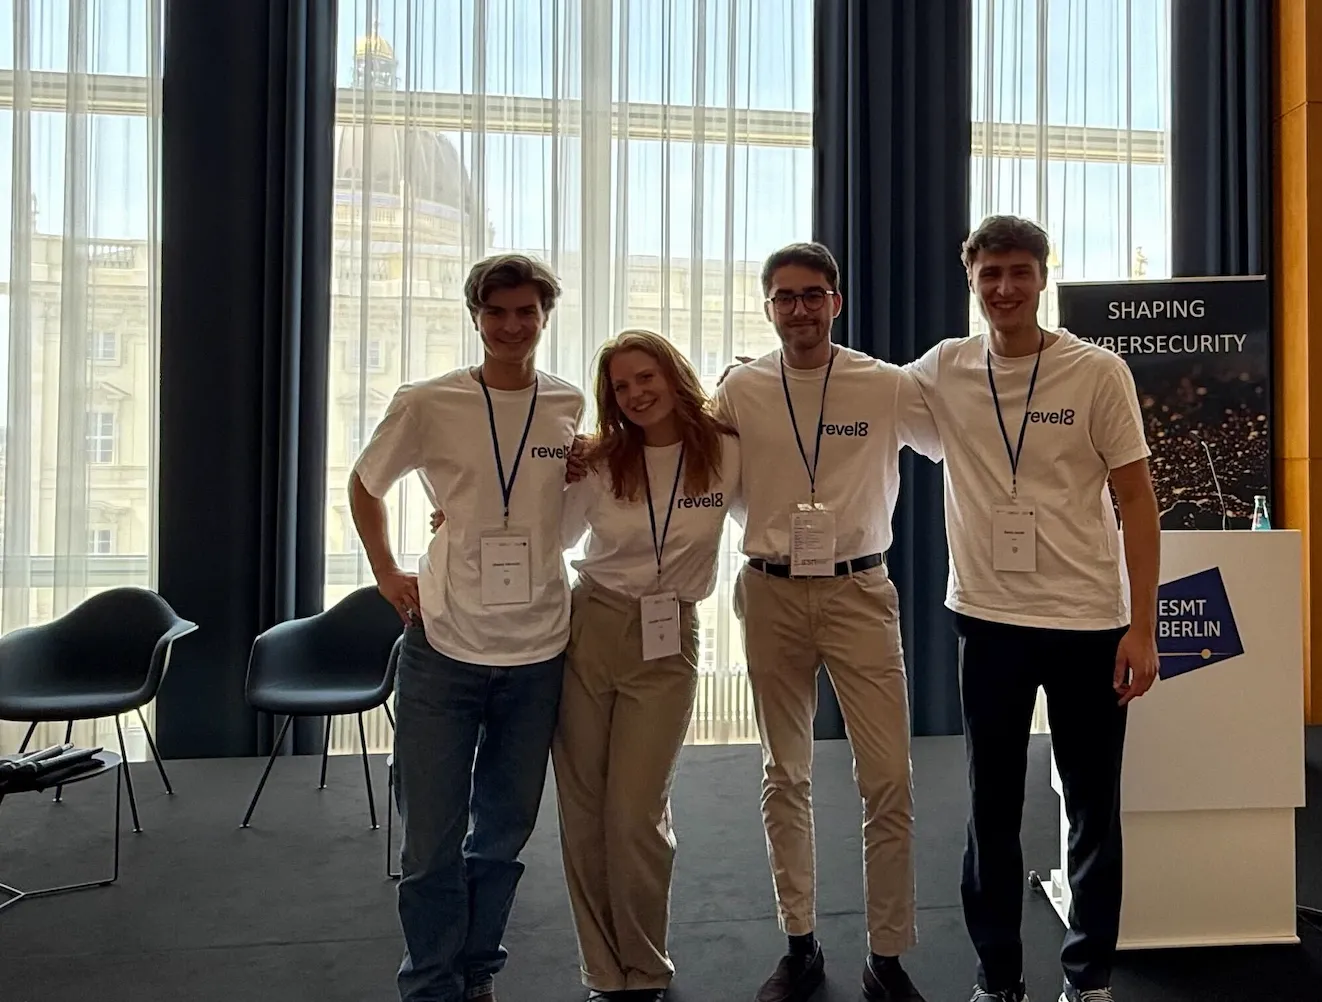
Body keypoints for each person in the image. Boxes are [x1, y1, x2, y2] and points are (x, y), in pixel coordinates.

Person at [906, 215, 1162, 1002]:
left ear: (1044, 277)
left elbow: (1137, 501)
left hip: (1088, 622)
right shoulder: (945, 369)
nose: (1005, 288)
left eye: (1020, 272)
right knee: (991, 807)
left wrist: (1143, 628)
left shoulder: (1097, 372)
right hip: (988, 621)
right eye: (990, 275)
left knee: (1091, 806)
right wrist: (752, 379)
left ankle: (1089, 978)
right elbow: (850, 393)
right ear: (972, 280)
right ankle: (998, 977)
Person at [349, 253, 584, 1002]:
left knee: (504, 834)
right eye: (497, 313)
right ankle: (429, 984)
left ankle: (477, 969)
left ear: (546, 317)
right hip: (443, 644)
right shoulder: (429, 401)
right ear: (475, 317)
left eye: (526, 313)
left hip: (540, 648)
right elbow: (365, 482)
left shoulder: (569, 403)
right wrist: (388, 572)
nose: (512, 326)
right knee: (429, 841)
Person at [713, 242, 941, 1002]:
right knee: (785, 772)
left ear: (836, 302)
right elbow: (673, 456)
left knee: (888, 778)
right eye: (785, 297)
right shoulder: (741, 389)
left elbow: (964, 444)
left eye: (814, 295)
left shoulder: (885, 385)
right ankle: (800, 943)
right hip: (771, 592)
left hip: (857, 591)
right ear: (768, 305)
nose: (800, 309)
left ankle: (888, 953)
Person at [554, 328, 741, 1001]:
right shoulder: (601, 462)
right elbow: (551, 535)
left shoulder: (725, 452)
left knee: (635, 811)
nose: (635, 393)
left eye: (646, 377)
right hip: (590, 629)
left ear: (673, 374)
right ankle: (604, 971)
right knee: (583, 808)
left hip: (668, 641)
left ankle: (646, 964)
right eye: (621, 386)